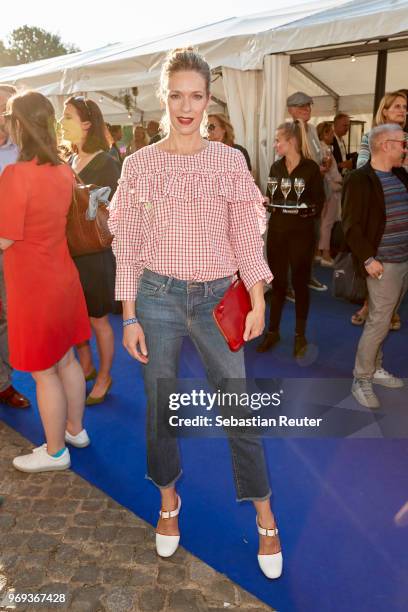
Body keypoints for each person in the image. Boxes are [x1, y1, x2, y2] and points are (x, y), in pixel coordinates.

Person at [109, 47, 282, 579]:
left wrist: (256, 298)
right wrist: (131, 316)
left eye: (197, 96)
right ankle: (167, 502)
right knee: (159, 409)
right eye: (177, 95)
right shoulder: (138, 164)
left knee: (236, 404)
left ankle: (264, 512)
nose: (187, 107)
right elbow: (129, 247)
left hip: (215, 299)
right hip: (156, 298)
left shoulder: (229, 161)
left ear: (209, 100)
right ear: (164, 97)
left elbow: (245, 238)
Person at [0, 91, 91, 472]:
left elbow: (4, 238)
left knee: (43, 371)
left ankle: (55, 451)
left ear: (19, 124)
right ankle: (75, 430)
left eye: (8, 118)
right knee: (67, 359)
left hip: (33, 285)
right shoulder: (64, 170)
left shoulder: (16, 175)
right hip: (62, 276)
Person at [342, 124, 408, 409]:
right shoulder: (359, 179)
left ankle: (375, 367)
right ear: (385, 145)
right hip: (382, 264)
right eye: (402, 144)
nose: (405, 149)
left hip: (403, 259)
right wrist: (369, 259)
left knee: (388, 317)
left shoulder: (401, 175)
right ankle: (362, 378)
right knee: (379, 322)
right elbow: (350, 225)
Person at [61, 96, 120, 405]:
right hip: (68, 251)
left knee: (98, 319)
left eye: (67, 116)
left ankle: (105, 376)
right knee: (76, 316)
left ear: (86, 124)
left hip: (95, 253)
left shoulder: (107, 162)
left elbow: (102, 210)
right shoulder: (68, 161)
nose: (61, 122)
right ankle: (85, 364)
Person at [257, 121, 325, 357]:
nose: (275, 145)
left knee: (299, 283)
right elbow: (270, 196)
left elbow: (319, 202)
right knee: (277, 284)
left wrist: (305, 209)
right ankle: (272, 332)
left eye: (278, 140)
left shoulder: (310, 169)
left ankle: (300, 335)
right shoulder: (276, 167)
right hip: (277, 232)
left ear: (292, 141)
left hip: (302, 234)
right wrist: (266, 202)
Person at [351, 91, 407, 328]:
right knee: (374, 255)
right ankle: (370, 304)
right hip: (374, 204)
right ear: (384, 110)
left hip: (398, 204)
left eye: (405, 107)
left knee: (396, 263)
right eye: (397, 106)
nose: (403, 110)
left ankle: (388, 308)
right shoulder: (370, 137)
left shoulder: (406, 138)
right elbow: (361, 166)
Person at [0, 84, 30, 409]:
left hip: (14, 247)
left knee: (9, 315)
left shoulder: (24, 152)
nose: (4, 116)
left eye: (8, 109)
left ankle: (3, 383)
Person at [287, 91, 327, 292]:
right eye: (301, 106)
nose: (306, 109)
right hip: (299, 195)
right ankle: (289, 284)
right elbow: (290, 162)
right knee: (294, 243)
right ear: (290, 110)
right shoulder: (289, 130)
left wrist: (321, 166)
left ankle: (307, 276)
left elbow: (315, 156)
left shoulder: (311, 129)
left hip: (315, 194)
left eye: (308, 106)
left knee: (312, 239)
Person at [316, 121, 342, 267]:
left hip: (326, 189)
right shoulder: (326, 150)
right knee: (327, 223)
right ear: (324, 134)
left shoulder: (319, 148)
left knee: (322, 222)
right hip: (330, 190)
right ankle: (326, 254)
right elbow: (326, 173)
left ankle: (318, 252)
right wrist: (337, 185)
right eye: (331, 132)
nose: (333, 135)